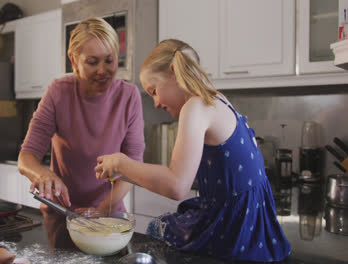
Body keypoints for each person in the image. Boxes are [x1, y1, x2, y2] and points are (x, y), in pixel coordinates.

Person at [94, 39, 291, 262]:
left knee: (157, 229)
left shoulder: (195, 106)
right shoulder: (218, 100)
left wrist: (121, 163)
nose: (156, 103)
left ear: (173, 73)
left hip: (232, 228)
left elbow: (176, 185)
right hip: (253, 226)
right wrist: (128, 173)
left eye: (154, 91)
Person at [17, 17, 145, 248]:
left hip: (109, 217)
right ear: (73, 60)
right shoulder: (58, 92)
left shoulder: (129, 96)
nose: (102, 71)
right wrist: (42, 175)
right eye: (92, 62)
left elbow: (134, 165)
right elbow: (26, 157)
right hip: (63, 216)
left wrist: (101, 210)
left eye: (109, 60)